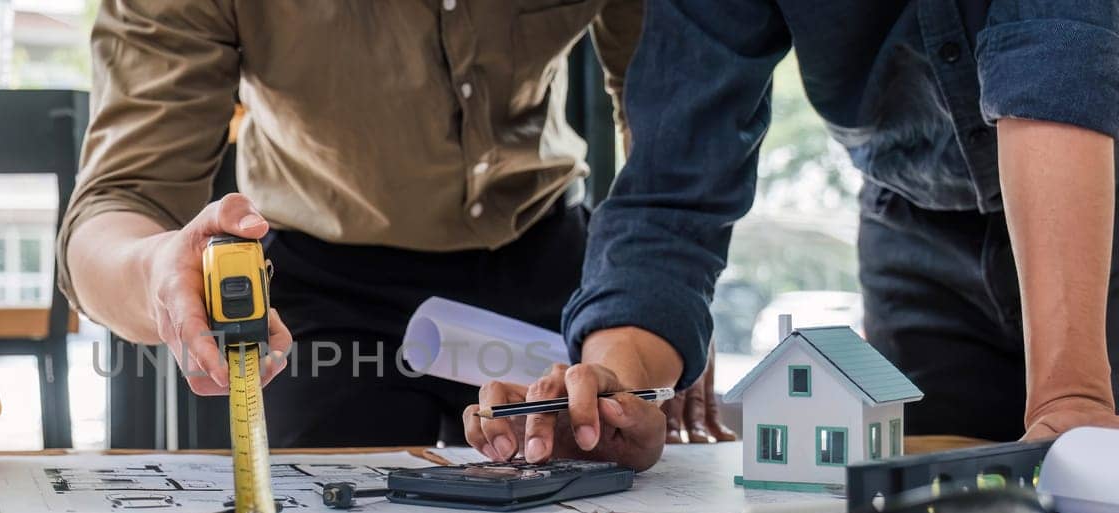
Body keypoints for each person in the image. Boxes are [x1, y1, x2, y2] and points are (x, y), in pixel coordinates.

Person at [468, 0, 1119, 467]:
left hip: (1096, 196)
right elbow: (674, 179)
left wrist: (1073, 394)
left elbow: (1054, 55)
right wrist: (616, 384)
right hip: (914, 226)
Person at [59, 0, 727, 448]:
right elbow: (115, 207)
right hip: (323, 294)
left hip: (549, 259)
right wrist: (156, 273)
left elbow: (671, 116)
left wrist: (655, 300)